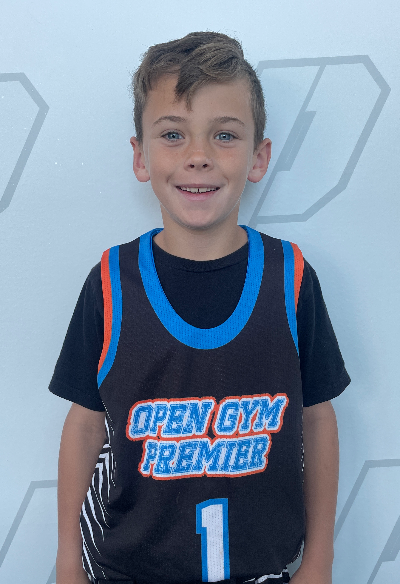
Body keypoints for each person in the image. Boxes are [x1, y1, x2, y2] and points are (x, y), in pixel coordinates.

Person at [49, 31, 350, 584]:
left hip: (264, 568)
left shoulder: (291, 278)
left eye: (224, 135)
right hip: (128, 570)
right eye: (173, 134)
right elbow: (86, 427)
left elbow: (317, 418)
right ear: (140, 156)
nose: (198, 157)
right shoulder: (111, 283)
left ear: (259, 157)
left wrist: (320, 561)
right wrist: (68, 562)